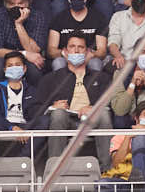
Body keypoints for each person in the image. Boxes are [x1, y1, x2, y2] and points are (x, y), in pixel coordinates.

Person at [39, 35, 114, 169]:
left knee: (103, 114)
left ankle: (106, 171)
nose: (76, 51)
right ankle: (53, 169)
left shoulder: (101, 77)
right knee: (58, 114)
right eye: (72, 47)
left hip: (92, 119)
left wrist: (93, 107)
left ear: (87, 52)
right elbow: (36, 107)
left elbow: (111, 103)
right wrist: (52, 107)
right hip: (67, 118)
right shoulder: (52, 78)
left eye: (81, 47)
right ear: (65, 52)